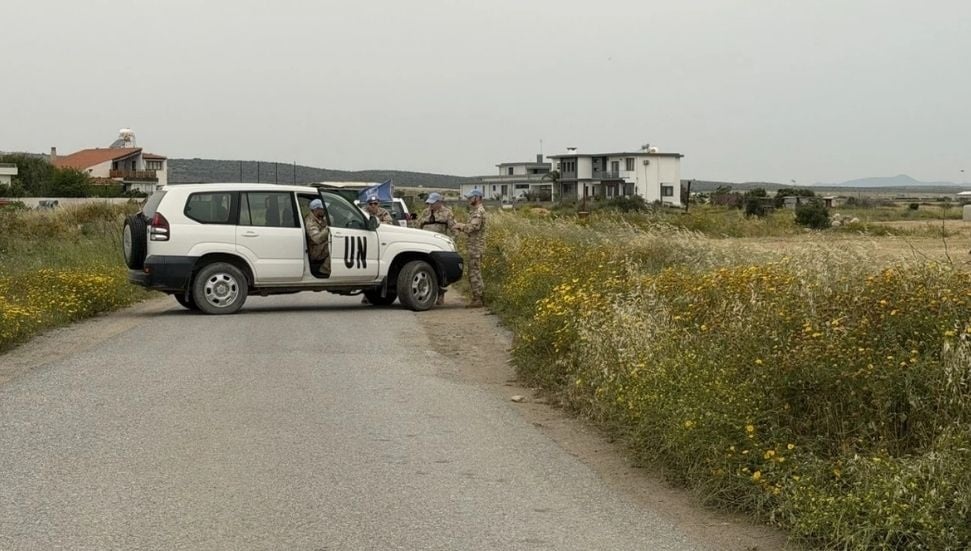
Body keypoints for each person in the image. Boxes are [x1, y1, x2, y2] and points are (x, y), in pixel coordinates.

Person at [415, 192, 457, 305]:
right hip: (424, 245)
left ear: (439, 202)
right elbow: (418, 226)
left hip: (439, 246)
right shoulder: (426, 212)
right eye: (429, 203)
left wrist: (449, 242)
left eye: (432, 203)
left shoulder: (447, 213)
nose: (430, 206)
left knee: (440, 271)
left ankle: (440, 294)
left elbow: (454, 230)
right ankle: (426, 294)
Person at [454, 189, 486, 308]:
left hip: (476, 247)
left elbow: (472, 228)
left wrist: (460, 226)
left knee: (474, 273)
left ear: (477, 198)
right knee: (474, 272)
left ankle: (478, 299)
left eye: (470, 198)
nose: (468, 200)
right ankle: (478, 297)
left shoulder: (478, 212)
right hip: (474, 246)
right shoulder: (476, 211)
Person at [305, 198, 330, 278]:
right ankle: (324, 269)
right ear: (316, 210)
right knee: (336, 245)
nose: (325, 211)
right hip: (314, 250)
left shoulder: (320, 218)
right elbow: (317, 239)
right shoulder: (310, 222)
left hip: (319, 247)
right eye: (323, 209)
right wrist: (328, 228)